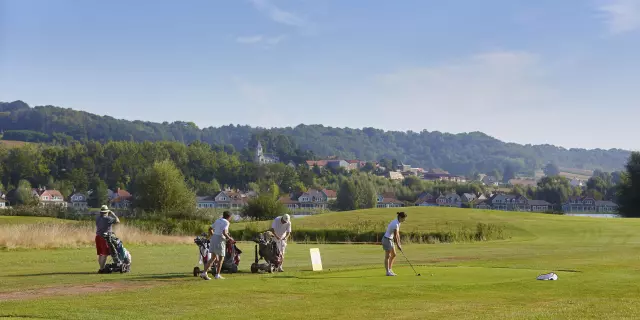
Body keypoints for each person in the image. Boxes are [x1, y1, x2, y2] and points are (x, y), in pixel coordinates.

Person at [201, 211, 234, 280]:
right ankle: (217, 275)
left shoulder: (217, 220)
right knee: (221, 258)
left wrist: (213, 235)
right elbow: (224, 232)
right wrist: (230, 239)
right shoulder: (227, 222)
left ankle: (204, 273)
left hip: (214, 239)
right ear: (229, 217)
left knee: (213, 258)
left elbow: (210, 229)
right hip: (220, 239)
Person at [95, 205, 120, 273]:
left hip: (98, 237)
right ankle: (102, 269)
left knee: (100, 254)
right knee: (104, 254)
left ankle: (101, 268)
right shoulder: (108, 219)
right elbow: (117, 221)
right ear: (106, 212)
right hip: (105, 237)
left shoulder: (97, 218)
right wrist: (113, 214)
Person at [382, 211, 406, 276]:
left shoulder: (398, 223)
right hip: (387, 239)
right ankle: (387, 272)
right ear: (400, 217)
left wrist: (399, 244)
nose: (404, 220)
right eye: (404, 218)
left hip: (390, 239)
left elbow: (397, 234)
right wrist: (398, 245)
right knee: (388, 256)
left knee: (394, 254)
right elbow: (395, 236)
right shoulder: (395, 224)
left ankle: (390, 269)